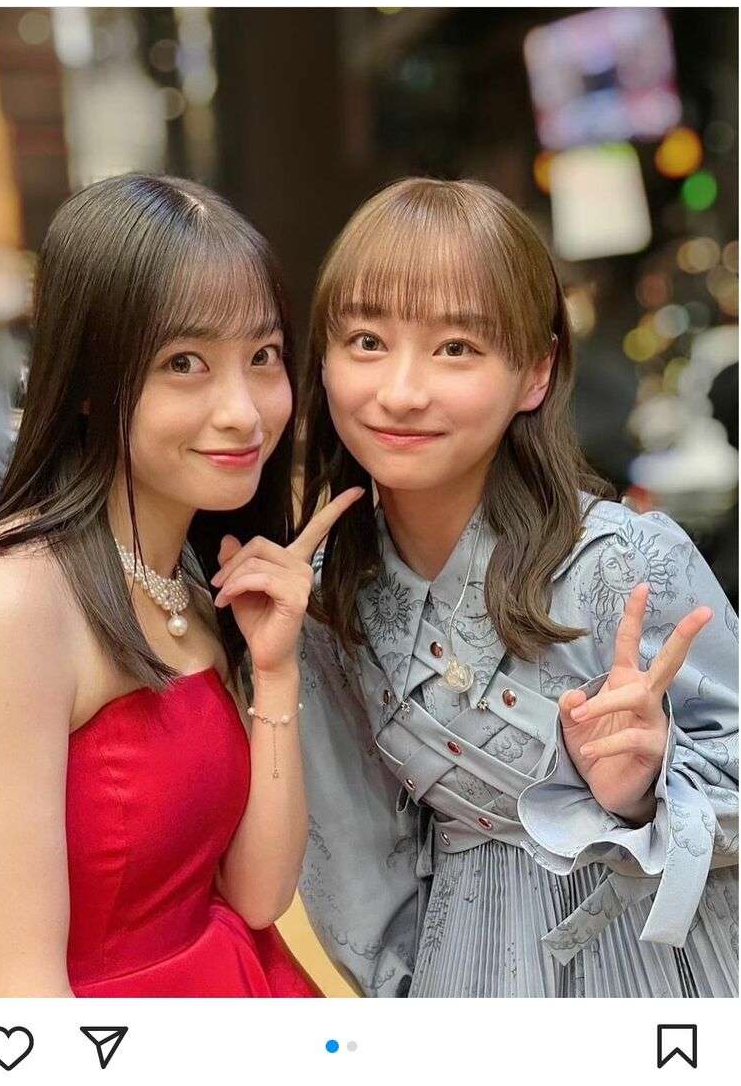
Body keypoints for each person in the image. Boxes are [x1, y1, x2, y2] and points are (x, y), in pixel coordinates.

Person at [297, 177, 738, 998]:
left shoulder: (625, 560)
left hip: (669, 968)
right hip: (466, 973)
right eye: (366, 340)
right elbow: (353, 857)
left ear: (536, 372)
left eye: (455, 348)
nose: (401, 391)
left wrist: (644, 795)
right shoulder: (327, 601)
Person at [0, 172, 359, 998]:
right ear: (87, 383)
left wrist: (275, 671)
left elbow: (257, 895)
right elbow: (14, 993)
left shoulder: (194, 577)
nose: (243, 410)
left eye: (262, 356)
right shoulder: (7, 601)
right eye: (184, 363)